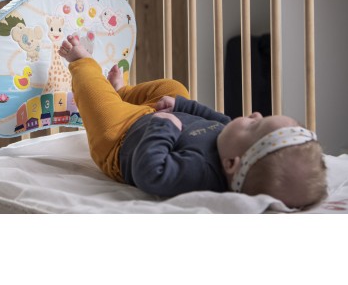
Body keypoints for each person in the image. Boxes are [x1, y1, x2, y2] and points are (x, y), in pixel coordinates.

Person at [58, 34, 327, 209]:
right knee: (174, 88)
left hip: (121, 139)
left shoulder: (200, 173)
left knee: (100, 106)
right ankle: (123, 94)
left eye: (254, 125)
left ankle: (82, 63)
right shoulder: (231, 141)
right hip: (154, 116)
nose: (255, 115)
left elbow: (150, 171)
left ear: (231, 164)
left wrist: (163, 126)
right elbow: (218, 119)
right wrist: (182, 106)